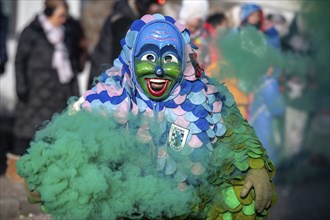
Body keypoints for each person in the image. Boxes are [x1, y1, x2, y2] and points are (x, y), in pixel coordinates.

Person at [18, 14, 275, 219]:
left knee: (241, 202)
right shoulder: (105, 96)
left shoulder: (206, 96)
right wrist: (51, 173)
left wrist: (256, 167)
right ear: (133, 58)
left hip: (190, 207)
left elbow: (237, 133)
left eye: (169, 58)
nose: (160, 69)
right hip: (124, 209)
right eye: (150, 57)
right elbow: (67, 139)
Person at [6, 0, 85, 182]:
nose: (64, 20)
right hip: (35, 92)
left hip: (57, 93)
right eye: (61, 16)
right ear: (49, 13)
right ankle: (18, 175)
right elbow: (20, 61)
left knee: (52, 133)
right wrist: (22, 88)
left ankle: (45, 175)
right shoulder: (32, 32)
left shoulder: (66, 35)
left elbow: (70, 66)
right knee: (27, 132)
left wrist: (74, 93)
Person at [240, 3, 285, 164]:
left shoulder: (263, 36)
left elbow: (275, 53)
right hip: (248, 95)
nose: (256, 19)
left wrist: (272, 33)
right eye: (252, 15)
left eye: (258, 16)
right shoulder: (241, 35)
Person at [87, 0, 164, 88]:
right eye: (154, 5)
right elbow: (122, 52)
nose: (156, 9)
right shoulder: (122, 19)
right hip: (105, 75)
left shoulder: (134, 15)